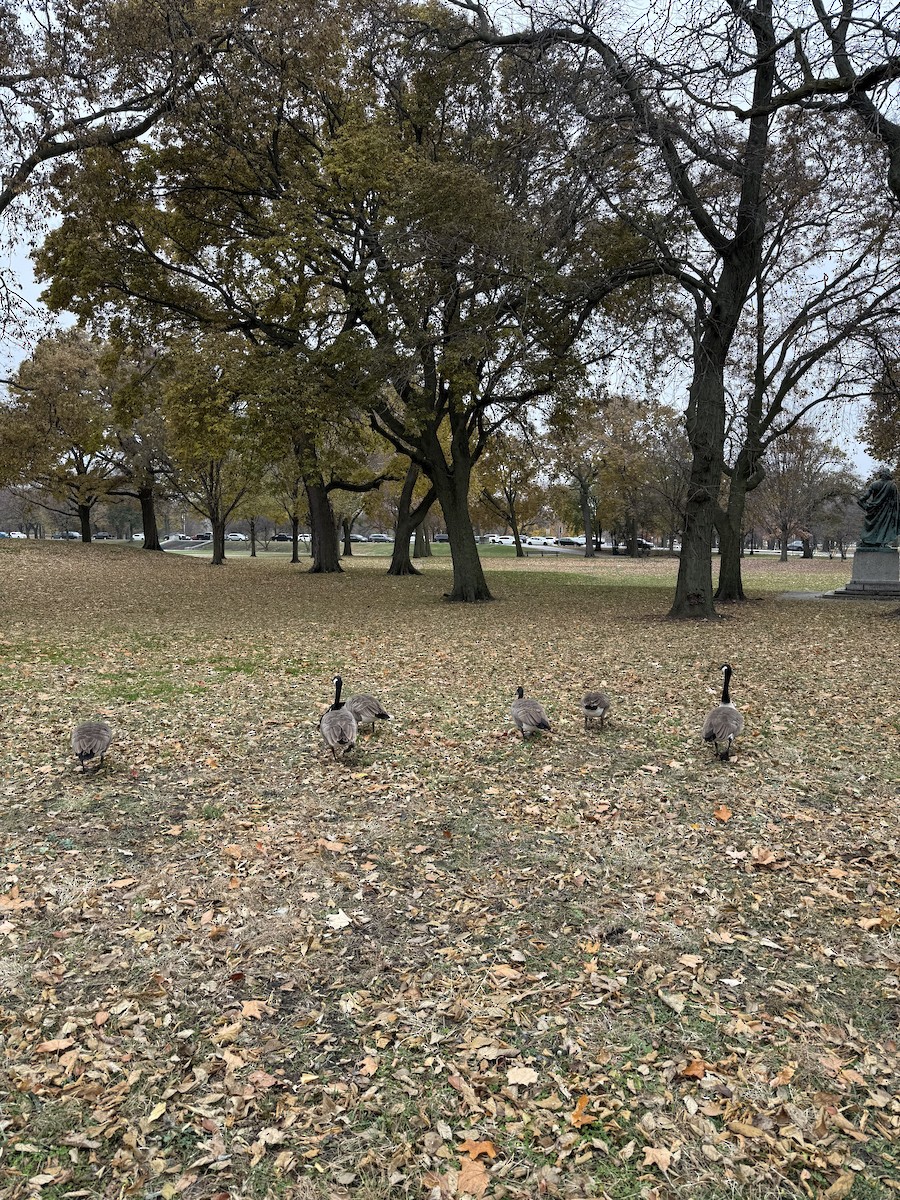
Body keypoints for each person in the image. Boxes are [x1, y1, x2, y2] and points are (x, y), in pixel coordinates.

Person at [857, 468, 900, 548]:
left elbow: (864, 497)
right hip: (887, 512)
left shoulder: (874, 484)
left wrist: (865, 506)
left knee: (873, 526)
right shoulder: (892, 486)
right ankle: (881, 542)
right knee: (884, 527)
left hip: (874, 510)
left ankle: (871, 542)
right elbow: (896, 502)